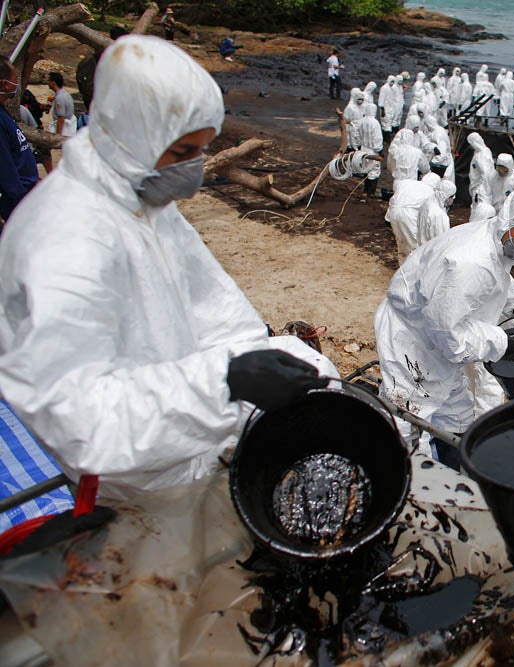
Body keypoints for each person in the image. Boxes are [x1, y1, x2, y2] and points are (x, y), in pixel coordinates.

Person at [0, 36, 334, 499]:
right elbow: (80, 420)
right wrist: (224, 383)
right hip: (133, 484)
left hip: (194, 439)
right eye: (182, 154)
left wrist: (259, 360)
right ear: (131, 138)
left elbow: (212, 306)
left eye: (202, 150)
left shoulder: (146, 201)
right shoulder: (62, 240)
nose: (195, 170)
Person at [374, 188, 514, 460]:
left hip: (436, 336)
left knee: (457, 418)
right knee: (406, 420)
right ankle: (408, 482)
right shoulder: (470, 263)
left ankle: (453, 464)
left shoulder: (493, 235)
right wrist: (501, 342)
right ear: (508, 221)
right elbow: (449, 336)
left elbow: (496, 275)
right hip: (413, 343)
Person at [0, 57, 39, 226]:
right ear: (4, 84)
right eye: (15, 79)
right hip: (15, 206)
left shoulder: (3, 113)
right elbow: (5, 169)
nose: (17, 84)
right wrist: (21, 202)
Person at [384, 172, 441, 265]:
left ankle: (402, 267)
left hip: (394, 211)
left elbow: (395, 195)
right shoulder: (430, 192)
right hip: (409, 215)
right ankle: (413, 271)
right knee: (414, 244)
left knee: (401, 242)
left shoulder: (407, 183)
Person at [415, 178, 456, 246]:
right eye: (451, 196)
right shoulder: (439, 215)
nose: (452, 199)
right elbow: (441, 240)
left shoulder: (426, 204)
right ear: (445, 195)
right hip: (432, 251)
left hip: (422, 248)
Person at [46, 72, 76, 138]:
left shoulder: (60, 97)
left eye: (49, 81)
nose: (48, 83)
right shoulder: (65, 94)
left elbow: (61, 118)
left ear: (54, 83)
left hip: (64, 130)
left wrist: (58, 136)